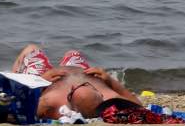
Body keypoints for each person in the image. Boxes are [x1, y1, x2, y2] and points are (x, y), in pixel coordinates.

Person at [12, 44, 141, 120]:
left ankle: (29, 70)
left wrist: (42, 81)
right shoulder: (109, 97)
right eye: (88, 86)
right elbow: (138, 105)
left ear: (70, 95)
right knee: (73, 53)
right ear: (100, 95)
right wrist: (109, 80)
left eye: (77, 88)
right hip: (79, 70)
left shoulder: (51, 102)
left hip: (46, 78)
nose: (78, 84)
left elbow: (17, 109)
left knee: (31, 49)